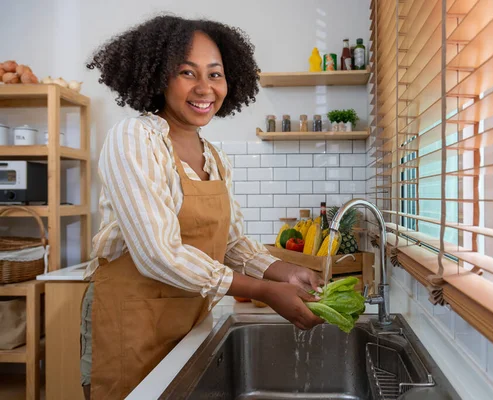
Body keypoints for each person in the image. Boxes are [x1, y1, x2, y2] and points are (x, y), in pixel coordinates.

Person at [79, 15, 324, 400]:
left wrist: (284, 273)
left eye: (215, 74)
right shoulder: (134, 139)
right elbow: (157, 255)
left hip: (187, 319)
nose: (204, 88)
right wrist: (263, 290)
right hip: (131, 319)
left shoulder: (215, 157)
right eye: (187, 73)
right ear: (159, 77)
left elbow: (232, 244)